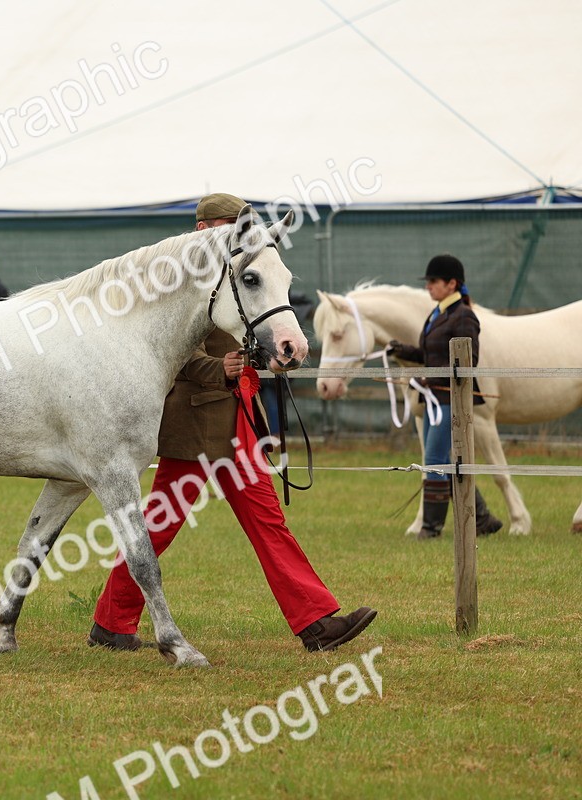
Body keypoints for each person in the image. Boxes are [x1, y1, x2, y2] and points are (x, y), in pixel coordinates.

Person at [89, 192, 377, 654]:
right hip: (196, 425)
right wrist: (214, 369)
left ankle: (316, 623)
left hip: (239, 417)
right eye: (231, 227)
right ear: (205, 230)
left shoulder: (240, 273)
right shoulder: (174, 282)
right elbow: (168, 356)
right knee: (160, 526)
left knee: (268, 522)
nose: (241, 238)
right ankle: (111, 621)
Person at [387, 254, 503, 539]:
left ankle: (431, 527)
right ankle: (483, 518)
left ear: (452, 284)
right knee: (442, 457)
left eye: (434, 281)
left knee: (436, 458)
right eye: (428, 282)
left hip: (451, 400)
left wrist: (427, 378)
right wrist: (401, 350)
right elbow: (429, 355)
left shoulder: (464, 317)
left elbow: (466, 362)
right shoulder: (437, 313)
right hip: (434, 399)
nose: (428, 286)